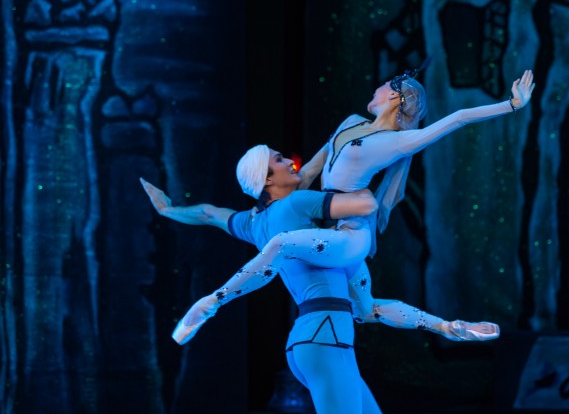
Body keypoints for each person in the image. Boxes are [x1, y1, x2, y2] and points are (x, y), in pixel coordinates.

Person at [170, 64, 534, 344]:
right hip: (332, 234)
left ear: (397, 97)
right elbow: (310, 170)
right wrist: (269, 205)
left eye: (386, 83)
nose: (378, 85)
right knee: (366, 309)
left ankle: (211, 303)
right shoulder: (352, 122)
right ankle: (449, 327)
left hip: (351, 237)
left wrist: (511, 105)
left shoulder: (396, 142)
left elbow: (458, 118)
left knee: (281, 244)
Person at [141, 148, 496, 413]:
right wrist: (370, 153)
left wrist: (445, 326)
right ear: (267, 180)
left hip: (317, 340)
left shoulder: (254, 224)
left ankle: (210, 303)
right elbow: (363, 204)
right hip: (325, 338)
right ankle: (211, 302)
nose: (291, 163)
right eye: (280, 160)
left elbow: (207, 213)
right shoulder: (297, 204)